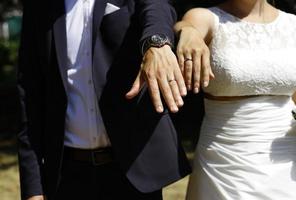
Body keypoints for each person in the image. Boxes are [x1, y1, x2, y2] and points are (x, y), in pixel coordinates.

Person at [17, 0, 195, 199]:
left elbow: (157, 8)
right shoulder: (39, 6)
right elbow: (29, 95)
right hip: (67, 176)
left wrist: (156, 43)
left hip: (131, 171)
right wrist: (32, 189)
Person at [175, 0, 296, 199]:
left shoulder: (293, 25)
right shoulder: (207, 18)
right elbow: (185, 26)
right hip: (226, 162)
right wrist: (188, 32)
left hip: (286, 156)